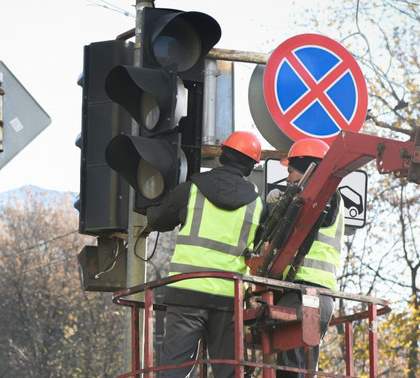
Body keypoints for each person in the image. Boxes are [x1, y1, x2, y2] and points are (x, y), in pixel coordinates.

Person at [146, 131, 264, 378]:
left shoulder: (190, 190)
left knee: (174, 370)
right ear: (251, 166)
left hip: (187, 291)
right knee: (230, 372)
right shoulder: (257, 205)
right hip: (228, 297)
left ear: (222, 155)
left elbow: (157, 219)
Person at [266, 138, 344, 378]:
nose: (287, 178)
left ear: (306, 169)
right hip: (320, 296)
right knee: (305, 367)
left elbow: (304, 215)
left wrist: (279, 201)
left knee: (291, 368)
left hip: (302, 292)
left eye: (290, 171)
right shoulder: (331, 198)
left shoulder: (324, 196)